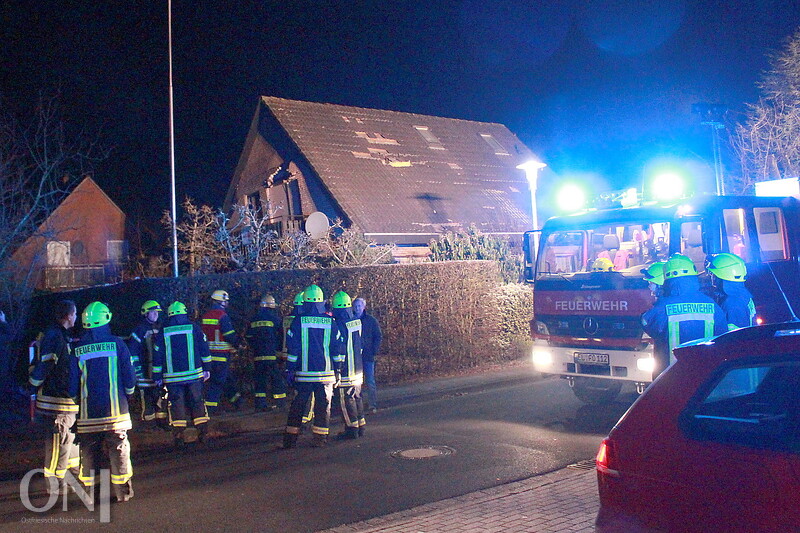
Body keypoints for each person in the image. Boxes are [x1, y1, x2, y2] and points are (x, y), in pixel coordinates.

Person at [69, 302, 137, 503]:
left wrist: (77, 403)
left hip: (88, 414)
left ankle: (91, 493)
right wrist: (130, 395)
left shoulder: (77, 349)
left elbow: (72, 385)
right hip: (116, 413)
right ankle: (123, 492)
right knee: (119, 450)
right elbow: (129, 376)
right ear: (107, 318)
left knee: (89, 451)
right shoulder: (117, 344)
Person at [641, 254, 727, 378]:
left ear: (667, 278)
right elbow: (722, 335)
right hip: (705, 376)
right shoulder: (711, 304)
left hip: (671, 377)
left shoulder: (663, 306)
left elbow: (646, 323)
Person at [28, 300, 80, 496]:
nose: (76, 317)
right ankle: (55, 483)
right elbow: (46, 365)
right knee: (57, 443)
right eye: (74, 314)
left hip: (64, 401)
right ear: (68, 316)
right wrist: (33, 384)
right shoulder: (55, 336)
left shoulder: (59, 335)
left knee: (69, 441)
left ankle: (71, 475)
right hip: (55, 402)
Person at [282, 285, 344, 448]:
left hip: (304, 374)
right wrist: (338, 369)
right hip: (326, 374)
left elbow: (293, 349)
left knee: (298, 406)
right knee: (323, 407)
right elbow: (336, 348)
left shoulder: (298, 321)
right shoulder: (331, 322)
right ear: (322, 302)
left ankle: (290, 439)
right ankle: (320, 438)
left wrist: (290, 368)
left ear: (304, 302)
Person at [152, 301, 211, 449]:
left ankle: (179, 435)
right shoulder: (194, 328)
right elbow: (204, 349)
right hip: (194, 374)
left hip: (173, 378)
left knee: (176, 404)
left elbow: (157, 355)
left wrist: (157, 376)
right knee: (197, 401)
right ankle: (202, 432)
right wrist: (207, 368)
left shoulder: (163, 331)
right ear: (184, 312)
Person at [127, 300, 167, 428]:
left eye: (157, 312)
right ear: (145, 313)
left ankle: (162, 422)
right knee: (147, 398)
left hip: (158, 371)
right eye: (153, 312)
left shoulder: (160, 328)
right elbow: (133, 352)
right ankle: (149, 424)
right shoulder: (139, 330)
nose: (156, 315)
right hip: (144, 371)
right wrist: (137, 371)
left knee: (161, 396)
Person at [331, 291, 365, 439]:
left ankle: (351, 429)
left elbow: (340, 349)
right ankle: (361, 425)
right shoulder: (356, 321)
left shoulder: (338, 324)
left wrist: (337, 369)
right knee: (357, 397)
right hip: (358, 368)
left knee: (346, 400)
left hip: (346, 370)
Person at [201, 290, 241, 414]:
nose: (227, 303)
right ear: (221, 302)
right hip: (221, 355)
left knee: (228, 379)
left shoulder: (205, 316)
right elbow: (229, 335)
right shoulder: (222, 316)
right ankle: (211, 408)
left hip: (208, 356)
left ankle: (236, 401)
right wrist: (238, 343)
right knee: (218, 382)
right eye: (226, 301)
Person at [246, 294, 286, 411]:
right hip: (272, 355)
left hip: (258, 355)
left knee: (260, 380)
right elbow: (281, 335)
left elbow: (248, 336)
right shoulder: (275, 319)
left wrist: (254, 346)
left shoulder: (254, 319)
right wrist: (279, 350)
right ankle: (280, 403)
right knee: (276, 379)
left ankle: (260, 405)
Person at [706, 253, 756, 331]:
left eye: (713, 274)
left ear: (721, 276)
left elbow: (733, 337)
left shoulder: (732, 303)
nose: (711, 277)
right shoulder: (742, 293)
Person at [353, 298, 381, 413]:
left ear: (364, 307)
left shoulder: (371, 320)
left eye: (359, 306)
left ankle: (372, 405)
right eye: (355, 306)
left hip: (368, 356)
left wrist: (374, 351)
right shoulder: (351, 320)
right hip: (355, 357)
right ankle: (358, 406)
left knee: (370, 381)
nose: (357, 308)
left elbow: (378, 336)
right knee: (356, 382)